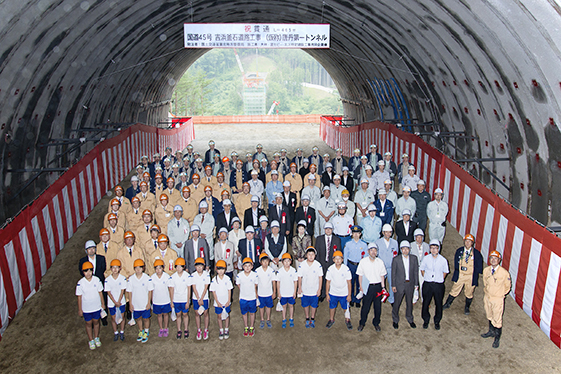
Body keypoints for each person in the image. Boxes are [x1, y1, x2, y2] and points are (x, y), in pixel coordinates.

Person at [443, 234, 483, 315]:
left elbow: (479, 265)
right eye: (466, 241)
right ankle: (448, 303)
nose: (467, 243)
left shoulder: (476, 253)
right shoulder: (459, 251)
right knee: (454, 289)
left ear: (472, 243)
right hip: (461, 274)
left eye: (469, 242)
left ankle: (467, 307)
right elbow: (455, 262)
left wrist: (476, 272)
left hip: (470, 276)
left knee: (469, 292)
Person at [481, 250, 511, 348]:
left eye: (495, 258)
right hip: (488, 297)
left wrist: (500, 294)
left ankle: (496, 339)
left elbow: (507, 286)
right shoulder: (486, 270)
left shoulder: (504, 273)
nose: (493, 260)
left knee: (497, 319)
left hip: (497, 299)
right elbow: (485, 282)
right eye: (491, 258)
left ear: (499, 260)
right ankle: (491, 331)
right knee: (489, 314)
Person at [357, 243, 387, 332]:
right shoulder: (363, 261)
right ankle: (362, 323)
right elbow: (360, 275)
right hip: (367, 287)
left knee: (377, 307)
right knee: (365, 307)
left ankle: (376, 323)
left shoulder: (380, 262)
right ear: (368, 251)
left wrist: (383, 287)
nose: (373, 252)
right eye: (371, 250)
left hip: (377, 287)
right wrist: (361, 287)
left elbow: (382, 276)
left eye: (375, 250)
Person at [420, 239, 449, 330]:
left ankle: (437, 321)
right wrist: (427, 278)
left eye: (435, 248)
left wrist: (439, 279)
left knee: (438, 303)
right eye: (432, 248)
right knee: (425, 302)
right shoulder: (426, 258)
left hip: (438, 285)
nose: (433, 250)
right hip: (428, 284)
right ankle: (426, 319)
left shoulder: (443, 260)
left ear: (438, 249)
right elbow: (422, 269)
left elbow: (445, 272)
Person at [76, 261, 106, 350]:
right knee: (88, 323)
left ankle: (96, 337)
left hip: (96, 306)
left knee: (96, 322)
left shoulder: (96, 280)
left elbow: (100, 293)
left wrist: (103, 304)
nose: (88, 273)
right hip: (86, 308)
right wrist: (80, 309)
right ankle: (91, 339)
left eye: (90, 271)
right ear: (83, 272)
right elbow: (79, 297)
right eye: (86, 271)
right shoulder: (80, 283)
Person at [391, 241, 419, 329]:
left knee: (409, 302)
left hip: (409, 284)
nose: (405, 251)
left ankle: (410, 318)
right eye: (403, 249)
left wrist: (416, 283)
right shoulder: (396, 259)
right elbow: (393, 273)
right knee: (397, 303)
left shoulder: (414, 258)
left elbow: (415, 272)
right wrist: (393, 285)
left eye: (407, 249)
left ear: (409, 249)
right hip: (399, 284)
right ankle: (395, 319)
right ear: (401, 250)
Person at [126, 259, 153, 343]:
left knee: (146, 318)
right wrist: (130, 304)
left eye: (140, 267)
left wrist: (149, 302)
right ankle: (140, 330)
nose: (138, 269)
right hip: (135, 303)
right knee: (138, 318)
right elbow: (129, 292)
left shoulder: (147, 278)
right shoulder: (131, 279)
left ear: (143, 268)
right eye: (136, 268)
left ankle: (146, 330)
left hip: (144, 303)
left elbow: (150, 291)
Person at [325, 250, 353, 330]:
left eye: (339, 258)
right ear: (333, 260)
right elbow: (328, 282)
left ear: (342, 259)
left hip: (343, 293)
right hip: (333, 292)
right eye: (335, 258)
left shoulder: (346, 269)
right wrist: (327, 294)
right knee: (332, 307)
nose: (337, 260)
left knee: (346, 307)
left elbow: (349, 283)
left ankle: (347, 320)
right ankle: (331, 319)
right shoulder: (330, 269)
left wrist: (349, 295)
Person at [297, 247, 323, 328]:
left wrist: (319, 289)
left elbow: (320, 277)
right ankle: (307, 318)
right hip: (305, 289)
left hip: (314, 290)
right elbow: (299, 277)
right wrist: (299, 288)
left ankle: (312, 318)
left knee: (314, 305)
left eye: (312, 254)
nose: (311, 256)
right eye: (309, 254)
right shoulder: (302, 265)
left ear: (315, 255)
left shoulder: (318, 265)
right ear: (306, 255)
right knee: (305, 305)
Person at [315, 222, 341, 301]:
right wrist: (318, 263)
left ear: (332, 230)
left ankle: (331, 292)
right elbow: (317, 252)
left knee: (332, 278)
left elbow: (338, 251)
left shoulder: (337, 239)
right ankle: (322, 294)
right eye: (326, 229)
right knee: (322, 278)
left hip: (332, 262)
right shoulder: (319, 239)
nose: (328, 231)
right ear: (324, 230)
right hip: (322, 262)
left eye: (330, 229)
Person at [375, 224, 399, 304]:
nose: (388, 234)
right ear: (383, 232)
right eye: (386, 232)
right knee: (379, 283)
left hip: (391, 267)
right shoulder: (378, 242)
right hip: (381, 267)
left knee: (392, 283)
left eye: (390, 232)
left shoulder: (395, 243)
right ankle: (379, 297)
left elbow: (396, 255)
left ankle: (391, 299)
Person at [344, 225, 368, 307]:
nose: (356, 235)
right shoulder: (348, 244)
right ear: (352, 234)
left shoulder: (364, 245)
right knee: (350, 282)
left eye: (357, 233)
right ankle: (350, 298)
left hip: (360, 266)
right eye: (354, 233)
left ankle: (358, 299)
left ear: (360, 234)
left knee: (359, 283)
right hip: (351, 265)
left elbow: (365, 257)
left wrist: (364, 267)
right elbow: (345, 256)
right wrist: (345, 267)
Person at [210, 259, 233, 340]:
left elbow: (229, 290)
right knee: (219, 316)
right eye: (219, 269)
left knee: (226, 315)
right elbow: (213, 291)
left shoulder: (227, 279)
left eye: (222, 269)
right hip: (218, 302)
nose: (220, 271)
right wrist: (217, 302)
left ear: (225, 269)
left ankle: (226, 329)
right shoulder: (214, 280)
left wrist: (228, 301)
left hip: (226, 301)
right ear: (216, 269)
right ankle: (221, 329)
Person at [168, 257, 191, 340]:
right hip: (176, 299)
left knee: (185, 314)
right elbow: (171, 289)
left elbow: (189, 289)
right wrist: (171, 301)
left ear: (184, 267)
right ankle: (179, 330)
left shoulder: (187, 276)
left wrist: (188, 301)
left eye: (180, 266)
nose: (178, 268)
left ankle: (185, 329)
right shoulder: (173, 277)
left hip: (184, 299)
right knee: (178, 315)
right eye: (177, 266)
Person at [104, 259, 127, 341]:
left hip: (121, 302)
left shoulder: (122, 278)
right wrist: (114, 302)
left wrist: (119, 301)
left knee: (122, 317)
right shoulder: (107, 280)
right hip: (111, 303)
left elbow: (122, 291)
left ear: (120, 268)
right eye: (113, 268)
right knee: (113, 318)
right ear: (110, 269)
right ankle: (115, 332)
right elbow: (108, 292)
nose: (115, 270)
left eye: (117, 268)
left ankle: (122, 331)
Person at [237, 257, 259, 337]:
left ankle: (252, 327)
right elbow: (238, 284)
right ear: (243, 267)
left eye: (249, 266)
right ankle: (246, 326)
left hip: (252, 298)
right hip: (243, 298)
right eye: (245, 266)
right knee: (244, 313)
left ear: (252, 266)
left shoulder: (254, 275)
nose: (247, 267)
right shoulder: (239, 276)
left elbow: (255, 285)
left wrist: (255, 295)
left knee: (252, 313)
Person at [275, 253, 298, 328]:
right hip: (283, 293)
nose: (287, 263)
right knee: (284, 306)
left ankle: (291, 318)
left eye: (288, 261)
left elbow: (295, 281)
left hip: (291, 293)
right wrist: (279, 292)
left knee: (291, 306)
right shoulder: (280, 271)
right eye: (285, 261)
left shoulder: (293, 270)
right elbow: (278, 283)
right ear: (282, 262)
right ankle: (284, 319)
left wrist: (294, 292)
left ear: (291, 262)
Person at [151, 259, 172, 338]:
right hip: (157, 300)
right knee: (159, 315)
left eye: (160, 268)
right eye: (156, 268)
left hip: (165, 299)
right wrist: (152, 301)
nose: (158, 270)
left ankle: (166, 328)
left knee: (165, 314)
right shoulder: (152, 278)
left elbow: (170, 289)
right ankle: (161, 328)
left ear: (163, 268)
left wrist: (171, 299)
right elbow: (151, 290)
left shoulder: (166, 277)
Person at [191, 257, 211, 341]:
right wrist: (198, 298)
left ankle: (206, 329)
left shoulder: (206, 275)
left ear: (203, 266)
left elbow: (206, 287)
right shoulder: (193, 275)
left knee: (206, 313)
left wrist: (202, 298)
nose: (199, 268)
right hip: (196, 298)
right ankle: (199, 329)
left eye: (201, 266)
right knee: (197, 314)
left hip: (205, 297)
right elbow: (194, 287)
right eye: (197, 266)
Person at [256, 253, 276, 329]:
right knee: (261, 307)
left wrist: (274, 292)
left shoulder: (271, 271)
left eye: (266, 261)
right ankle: (262, 319)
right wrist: (256, 293)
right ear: (260, 262)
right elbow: (255, 283)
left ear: (269, 261)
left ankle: (268, 319)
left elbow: (273, 281)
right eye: (263, 261)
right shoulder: (257, 271)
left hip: (269, 293)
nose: (265, 263)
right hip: (260, 293)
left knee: (268, 307)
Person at [410, 229, 429, 299]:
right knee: (414, 284)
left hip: (423, 268)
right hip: (414, 267)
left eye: (420, 237)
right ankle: (414, 298)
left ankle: (424, 299)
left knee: (423, 283)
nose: (419, 239)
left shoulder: (427, 246)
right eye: (417, 237)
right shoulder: (410, 245)